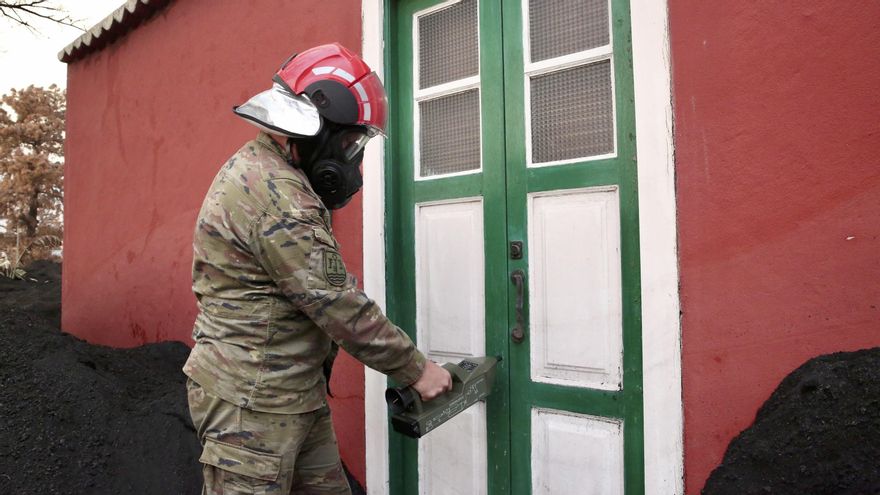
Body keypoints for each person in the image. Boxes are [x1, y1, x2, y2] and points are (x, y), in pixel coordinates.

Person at [183, 43, 452, 495]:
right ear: (314, 128)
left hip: (295, 394)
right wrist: (415, 369)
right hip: (251, 403)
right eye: (349, 141)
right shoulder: (276, 195)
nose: (352, 158)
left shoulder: (277, 173)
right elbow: (336, 303)